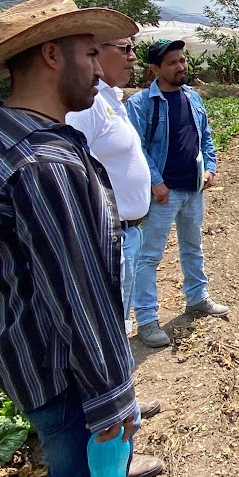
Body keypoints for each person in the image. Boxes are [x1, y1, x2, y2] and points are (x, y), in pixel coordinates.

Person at [0, 0, 163, 477]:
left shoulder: (0, 143)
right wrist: (113, 401)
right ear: (51, 56)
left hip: (35, 361)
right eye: (89, 55)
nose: (98, 68)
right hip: (65, 376)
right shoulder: (41, 164)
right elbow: (77, 297)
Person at [63, 34, 164, 433]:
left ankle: (127, 407)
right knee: (109, 331)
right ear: (94, 54)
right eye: (124, 49)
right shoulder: (86, 110)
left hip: (129, 232)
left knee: (118, 328)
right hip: (111, 235)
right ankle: (116, 435)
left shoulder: (111, 101)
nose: (132, 57)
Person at [126, 39, 227, 349]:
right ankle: (146, 319)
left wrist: (210, 168)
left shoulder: (193, 98)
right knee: (149, 257)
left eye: (182, 60)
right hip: (163, 196)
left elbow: (206, 137)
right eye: (172, 63)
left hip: (193, 190)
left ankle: (197, 298)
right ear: (155, 69)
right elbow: (137, 147)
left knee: (193, 247)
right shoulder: (141, 104)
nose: (181, 66)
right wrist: (156, 182)